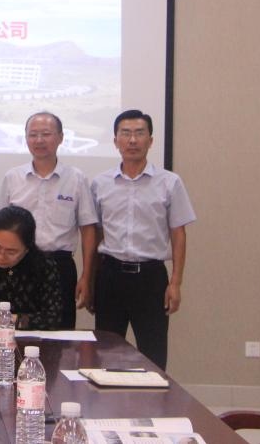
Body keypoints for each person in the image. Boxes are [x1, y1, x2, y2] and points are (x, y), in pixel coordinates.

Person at [89, 109, 197, 370]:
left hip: (150, 278)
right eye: (125, 134)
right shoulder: (100, 183)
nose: (132, 140)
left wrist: (176, 283)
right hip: (110, 275)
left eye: (139, 133)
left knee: (153, 354)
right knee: (105, 354)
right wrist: (91, 280)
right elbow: (96, 235)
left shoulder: (170, 183)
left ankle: (152, 398)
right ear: (115, 141)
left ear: (151, 140)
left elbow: (178, 234)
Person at [0, 112, 97, 329]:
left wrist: (87, 276)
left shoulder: (76, 178)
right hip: (18, 265)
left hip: (60, 266)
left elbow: (88, 230)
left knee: (61, 330)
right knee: (14, 328)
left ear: (60, 137)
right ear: (26, 138)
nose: (39, 140)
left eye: (46, 134)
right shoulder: (13, 177)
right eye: (33, 135)